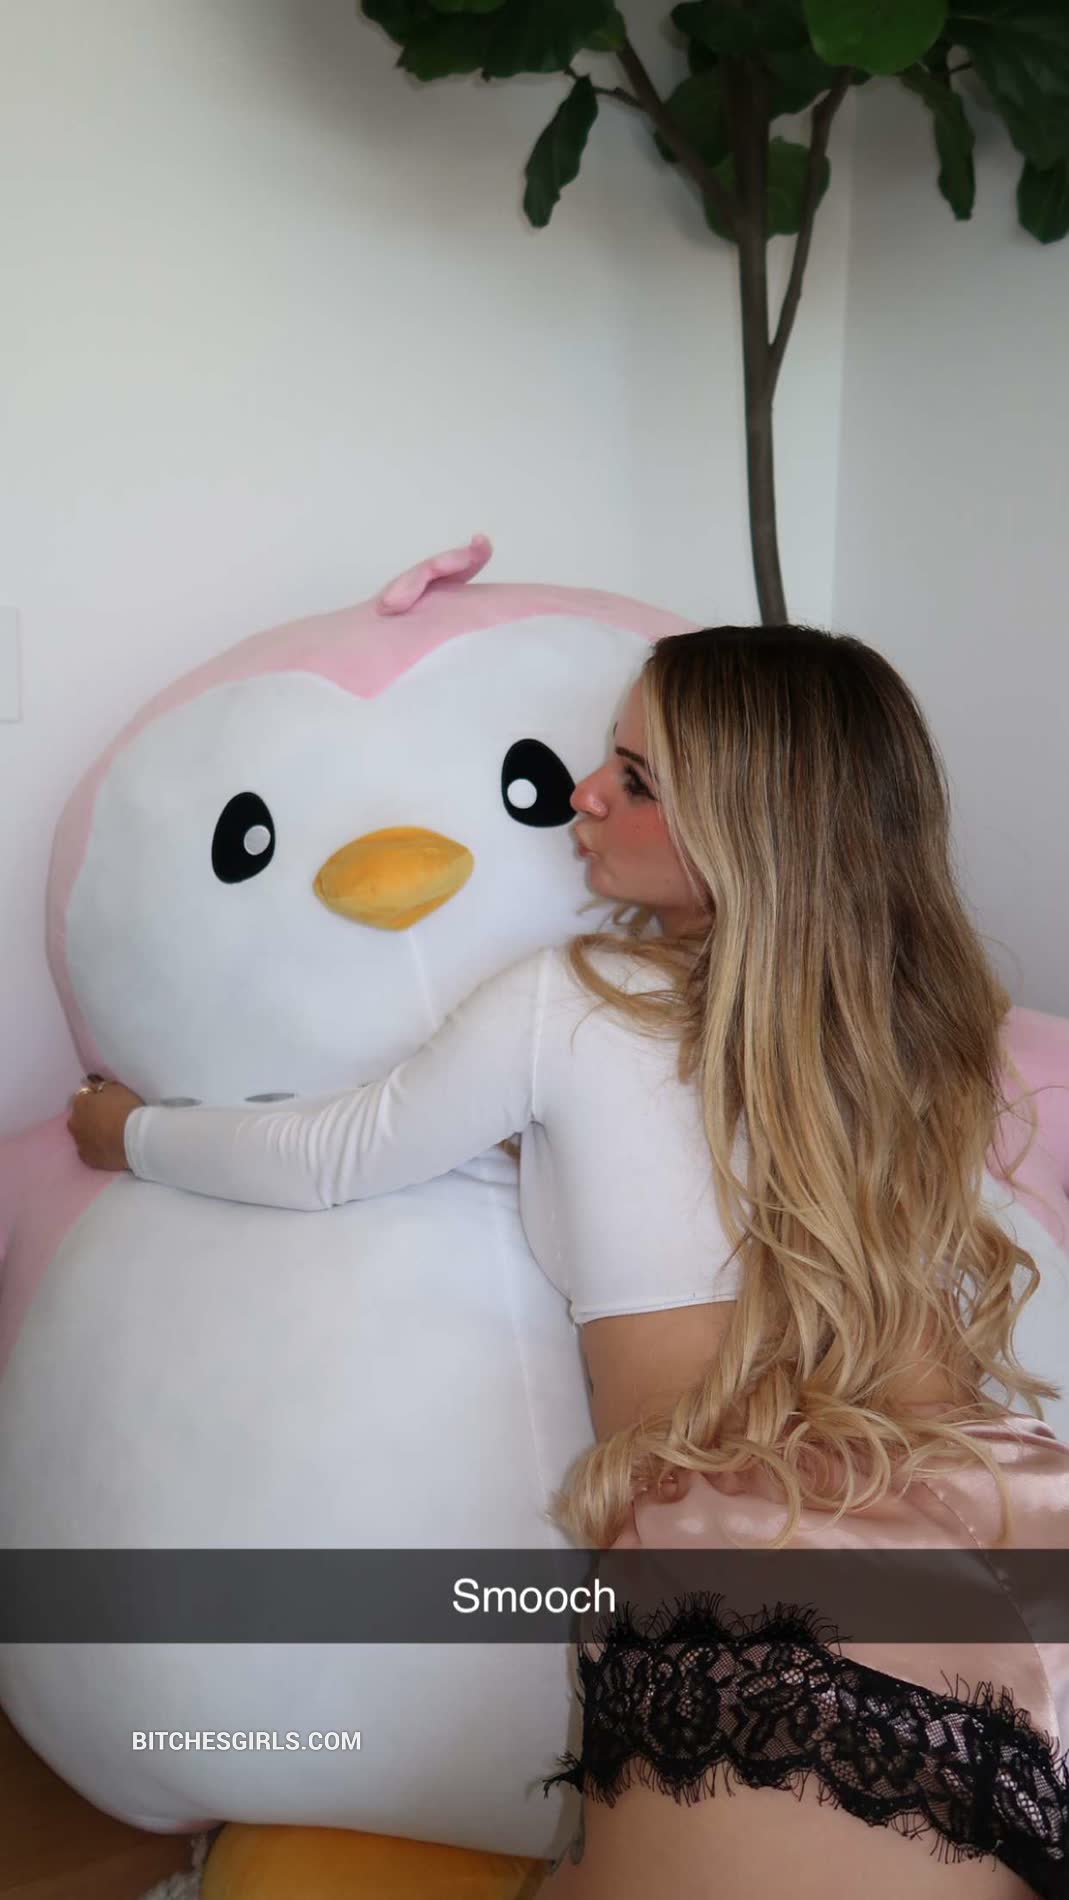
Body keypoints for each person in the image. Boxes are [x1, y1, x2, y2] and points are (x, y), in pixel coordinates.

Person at [69, 625, 1069, 1897]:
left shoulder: (575, 997)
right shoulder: (913, 1027)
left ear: (747, 831)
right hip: (1010, 1497)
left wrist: (128, 1131)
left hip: (760, 1550)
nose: (583, 794)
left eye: (634, 779)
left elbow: (333, 1152)